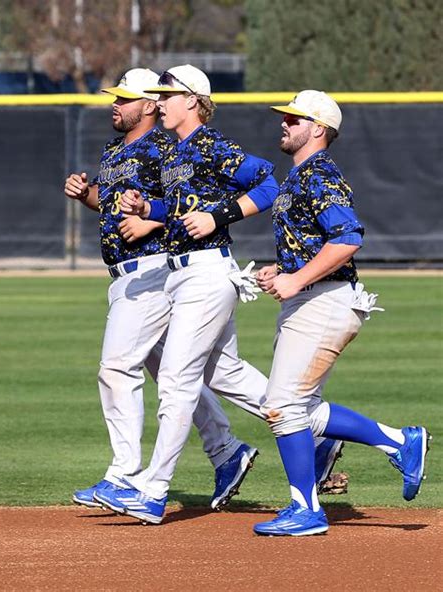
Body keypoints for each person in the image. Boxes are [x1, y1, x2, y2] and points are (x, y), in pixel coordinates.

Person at [95, 66, 345, 525]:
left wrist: (220, 216)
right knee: (220, 371)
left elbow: (267, 181)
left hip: (207, 272)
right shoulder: (174, 151)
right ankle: (317, 434)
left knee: (175, 378)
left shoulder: (212, 145)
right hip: (177, 273)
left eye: (166, 94)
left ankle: (151, 491)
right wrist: (149, 209)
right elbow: (182, 207)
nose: (159, 102)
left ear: (192, 100)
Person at [64, 68, 262, 511]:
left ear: (151, 104)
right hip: (132, 274)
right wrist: (88, 195)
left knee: (121, 367)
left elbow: (188, 198)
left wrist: (154, 218)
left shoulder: (166, 147)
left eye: (125, 98)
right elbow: (118, 204)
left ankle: (126, 474)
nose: (114, 104)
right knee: (194, 372)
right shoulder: (117, 148)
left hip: (157, 270)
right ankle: (230, 449)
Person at [251, 90, 431, 536]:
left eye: (294, 119)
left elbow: (348, 237)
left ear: (318, 129)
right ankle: (400, 442)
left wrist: (295, 280)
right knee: (301, 407)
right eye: (286, 118)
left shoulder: (319, 175)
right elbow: (316, 243)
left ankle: (306, 509)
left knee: (281, 406)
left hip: (324, 300)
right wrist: (285, 270)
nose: (285, 124)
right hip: (314, 296)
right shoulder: (299, 176)